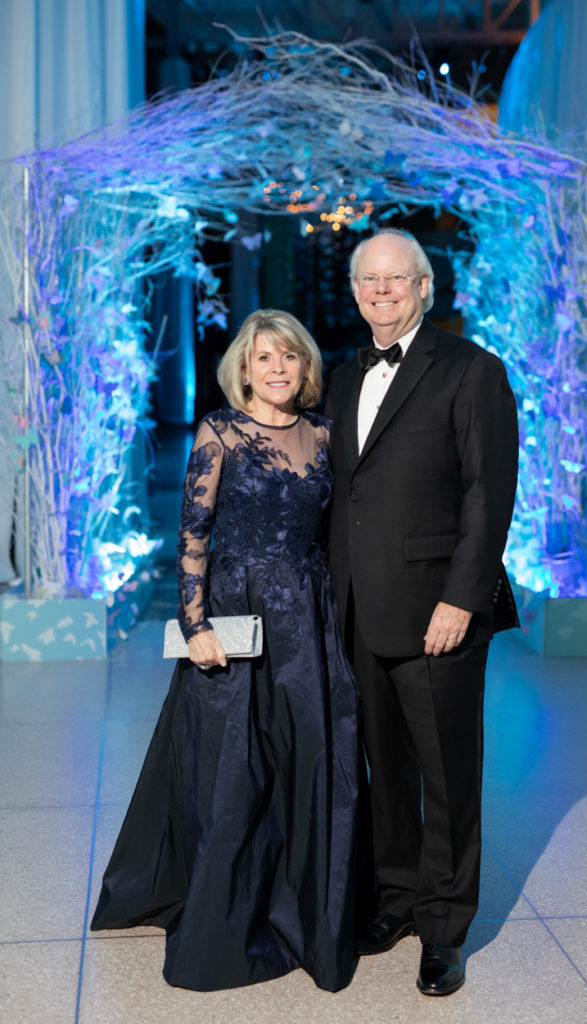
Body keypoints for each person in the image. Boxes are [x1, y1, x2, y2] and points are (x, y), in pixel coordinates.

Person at [91, 310, 361, 993]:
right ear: (243, 368)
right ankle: (226, 918)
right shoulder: (219, 431)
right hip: (236, 612)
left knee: (311, 760)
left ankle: (307, 912)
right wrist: (194, 624)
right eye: (264, 358)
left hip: (308, 611)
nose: (277, 369)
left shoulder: (326, 435)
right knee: (233, 767)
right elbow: (193, 535)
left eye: (290, 358)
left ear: (305, 368)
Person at [326, 229, 519, 997]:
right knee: (385, 770)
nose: (381, 290)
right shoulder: (342, 380)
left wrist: (461, 598)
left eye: (395, 279)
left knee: (446, 776)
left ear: (424, 287)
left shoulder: (472, 370)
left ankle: (443, 930)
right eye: (368, 280)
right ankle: (398, 900)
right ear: (355, 290)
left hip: (439, 611)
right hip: (359, 610)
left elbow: (488, 495)